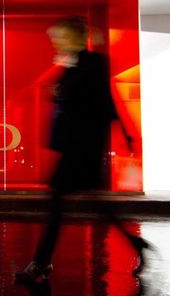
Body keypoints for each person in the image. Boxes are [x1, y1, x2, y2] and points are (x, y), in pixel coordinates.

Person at [14, 16, 151, 285]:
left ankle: (41, 263)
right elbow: (65, 96)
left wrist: (124, 133)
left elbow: (93, 99)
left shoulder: (90, 62)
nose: (57, 43)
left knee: (57, 202)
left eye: (61, 38)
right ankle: (136, 244)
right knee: (92, 204)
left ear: (74, 37)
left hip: (83, 146)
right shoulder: (76, 63)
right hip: (74, 145)